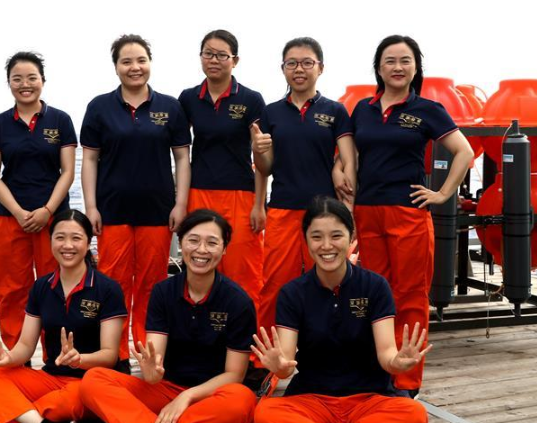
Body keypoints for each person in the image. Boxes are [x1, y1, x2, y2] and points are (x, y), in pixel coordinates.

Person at [336, 34, 474, 392]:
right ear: (378, 68)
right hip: (368, 212)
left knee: (410, 295)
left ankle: (406, 380)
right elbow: (349, 155)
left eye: (405, 61)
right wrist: (339, 171)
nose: (397, 67)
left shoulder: (427, 109)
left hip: (408, 213)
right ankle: (379, 368)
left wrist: (442, 193)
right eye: (390, 61)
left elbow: (465, 152)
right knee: (373, 294)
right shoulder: (363, 109)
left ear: (416, 67)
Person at [252, 197, 431, 423]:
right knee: (266, 413)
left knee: (413, 413)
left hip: (369, 399)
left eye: (336, 236)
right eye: (317, 237)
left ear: (351, 236)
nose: (327, 246)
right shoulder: (292, 292)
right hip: (311, 399)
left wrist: (397, 362)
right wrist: (279, 367)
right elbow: (286, 364)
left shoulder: (375, 286)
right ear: (305, 240)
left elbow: (386, 353)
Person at [80, 209, 257, 423]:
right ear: (180, 243)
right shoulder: (163, 292)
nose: (201, 249)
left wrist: (188, 396)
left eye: (212, 243)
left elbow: (234, 375)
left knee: (241, 399)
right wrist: (152, 372)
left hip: (213, 394)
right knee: (94, 379)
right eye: (193, 240)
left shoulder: (238, 301)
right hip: (166, 389)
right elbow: (156, 359)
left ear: (224, 248)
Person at [80, 34, 191, 370]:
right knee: (113, 285)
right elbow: (89, 160)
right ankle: (115, 355)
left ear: (150, 63)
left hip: (157, 212)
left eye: (141, 60)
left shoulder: (170, 107)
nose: (134, 67)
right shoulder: (99, 107)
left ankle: (147, 355)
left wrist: (180, 204)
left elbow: (182, 158)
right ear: (116, 67)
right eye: (126, 61)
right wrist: (90, 207)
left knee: (151, 286)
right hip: (111, 211)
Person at [0, 209, 126, 423]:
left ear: (89, 243)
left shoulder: (107, 289)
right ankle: (32, 417)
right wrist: (8, 358)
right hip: (50, 378)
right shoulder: (41, 287)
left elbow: (110, 356)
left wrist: (79, 360)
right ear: (50, 241)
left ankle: (16, 412)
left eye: (76, 238)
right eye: (60, 237)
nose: (67, 245)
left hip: (90, 383)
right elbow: (26, 346)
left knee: (60, 403)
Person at [251, 37, 355, 339]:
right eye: (292, 63)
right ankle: (267, 356)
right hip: (282, 209)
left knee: (327, 281)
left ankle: (324, 349)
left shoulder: (335, 111)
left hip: (324, 214)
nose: (299, 69)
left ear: (320, 68)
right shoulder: (271, 113)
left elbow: (349, 160)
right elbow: (265, 167)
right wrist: (258, 150)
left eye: (307, 63)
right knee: (274, 283)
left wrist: (350, 209)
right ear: (282, 68)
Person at [0, 51, 77, 350]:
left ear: (43, 81)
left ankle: (56, 357)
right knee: (12, 289)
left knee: (56, 287)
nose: (25, 84)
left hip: (54, 220)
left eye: (31, 78)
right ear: (9, 83)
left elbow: (68, 172)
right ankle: (17, 357)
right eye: (17, 79)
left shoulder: (60, 120)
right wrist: (19, 212)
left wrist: (47, 210)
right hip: (11, 218)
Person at [178, 29, 267, 309]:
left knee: (246, 271)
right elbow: (180, 152)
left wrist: (259, 204)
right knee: (200, 267)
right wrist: (180, 202)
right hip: (199, 192)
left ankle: (249, 335)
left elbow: (261, 157)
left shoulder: (251, 99)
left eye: (221, 55)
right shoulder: (188, 98)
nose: (214, 60)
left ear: (235, 60)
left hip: (241, 193)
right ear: (200, 57)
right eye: (208, 54)